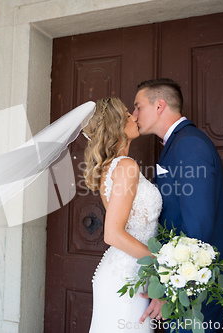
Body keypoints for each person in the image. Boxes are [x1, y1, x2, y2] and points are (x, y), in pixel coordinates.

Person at [132, 79, 223, 332]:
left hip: (195, 283)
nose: (134, 115)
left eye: (137, 107)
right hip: (187, 281)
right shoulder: (178, 143)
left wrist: (171, 285)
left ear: (159, 105)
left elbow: (198, 223)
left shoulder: (188, 144)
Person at [83, 97, 163, 332]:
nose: (135, 117)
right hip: (126, 279)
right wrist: (161, 264)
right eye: (129, 115)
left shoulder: (111, 166)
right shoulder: (126, 166)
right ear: (115, 125)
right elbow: (113, 234)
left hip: (128, 272)